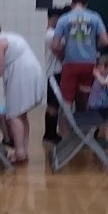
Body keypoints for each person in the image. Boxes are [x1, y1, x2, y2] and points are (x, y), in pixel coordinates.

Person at [0, 21, 45, 165]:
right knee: (21, 114)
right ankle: (22, 150)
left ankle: (19, 153)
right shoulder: (8, 37)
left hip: (23, 76)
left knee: (13, 115)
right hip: (31, 73)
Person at [52, 0, 108, 112]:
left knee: (66, 100)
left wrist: (64, 54)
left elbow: (55, 45)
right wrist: (92, 46)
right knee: (86, 96)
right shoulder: (95, 17)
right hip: (89, 63)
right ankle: (85, 128)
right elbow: (104, 41)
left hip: (70, 63)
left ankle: (65, 129)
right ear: (86, 4)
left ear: (72, 4)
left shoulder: (64, 19)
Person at [43, 8, 64, 143]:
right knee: (53, 105)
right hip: (54, 73)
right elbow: (59, 53)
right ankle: (49, 134)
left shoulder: (52, 34)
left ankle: (51, 133)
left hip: (55, 73)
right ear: (53, 18)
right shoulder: (52, 35)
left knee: (54, 104)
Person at [90, 55, 108, 145]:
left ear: (107, 68)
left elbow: (104, 83)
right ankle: (90, 137)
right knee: (92, 122)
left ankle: (107, 138)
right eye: (97, 66)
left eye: (100, 67)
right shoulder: (97, 78)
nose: (97, 69)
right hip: (93, 104)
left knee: (104, 123)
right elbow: (93, 89)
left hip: (102, 105)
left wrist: (97, 74)